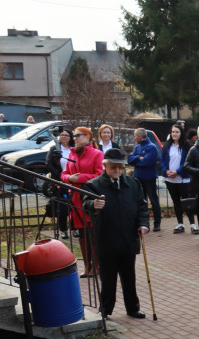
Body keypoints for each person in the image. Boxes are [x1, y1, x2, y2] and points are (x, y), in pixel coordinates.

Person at [82, 148, 150, 319]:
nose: (117, 171)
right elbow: (85, 202)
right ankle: (105, 310)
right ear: (105, 166)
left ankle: (133, 308)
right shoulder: (94, 184)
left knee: (129, 276)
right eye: (113, 168)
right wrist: (92, 204)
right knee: (108, 278)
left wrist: (143, 225)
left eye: (120, 167)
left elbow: (142, 207)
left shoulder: (134, 184)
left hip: (128, 237)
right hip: (107, 238)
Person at [61, 127, 104, 277]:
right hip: (75, 199)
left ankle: (97, 265)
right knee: (82, 234)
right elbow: (64, 174)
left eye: (78, 136)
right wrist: (70, 179)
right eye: (74, 136)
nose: (75, 139)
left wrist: (80, 178)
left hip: (89, 198)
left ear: (88, 137)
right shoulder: (72, 154)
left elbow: (99, 174)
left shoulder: (97, 154)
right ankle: (87, 266)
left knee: (92, 232)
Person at [126, 128, 162, 232]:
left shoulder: (152, 147)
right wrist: (139, 157)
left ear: (140, 137)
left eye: (135, 136)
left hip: (149, 178)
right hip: (138, 177)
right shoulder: (137, 147)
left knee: (153, 200)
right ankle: (143, 223)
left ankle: (157, 223)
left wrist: (137, 160)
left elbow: (147, 162)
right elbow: (129, 159)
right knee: (141, 201)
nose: (134, 138)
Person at [161, 124, 192, 233]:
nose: (174, 134)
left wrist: (177, 171)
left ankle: (192, 224)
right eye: (173, 132)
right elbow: (162, 160)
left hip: (183, 178)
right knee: (176, 201)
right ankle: (180, 224)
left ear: (181, 133)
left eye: (177, 132)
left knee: (186, 201)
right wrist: (166, 171)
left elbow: (187, 162)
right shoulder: (166, 146)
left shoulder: (187, 146)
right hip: (170, 179)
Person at [46, 129, 73, 240]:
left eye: (66, 135)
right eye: (62, 135)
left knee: (73, 206)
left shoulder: (73, 149)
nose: (64, 137)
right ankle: (63, 229)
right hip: (60, 181)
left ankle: (74, 228)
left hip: (73, 181)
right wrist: (60, 175)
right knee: (62, 206)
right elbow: (49, 163)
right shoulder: (55, 149)